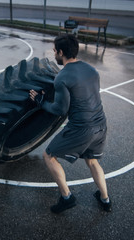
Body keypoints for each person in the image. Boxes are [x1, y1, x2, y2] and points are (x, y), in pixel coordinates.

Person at [29, 34, 111, 214]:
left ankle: (67, 198)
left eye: (54, 51)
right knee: (93, 161)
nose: (54, 54)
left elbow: (60, 109)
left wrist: (41, 101)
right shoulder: (92, 70)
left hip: (82, 128)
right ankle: (105, 200)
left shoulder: (62, 77)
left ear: (60, 52)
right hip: (101, 125)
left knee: (48, 156)